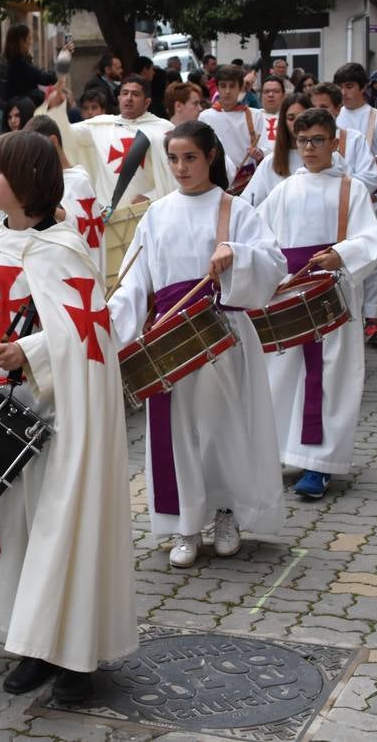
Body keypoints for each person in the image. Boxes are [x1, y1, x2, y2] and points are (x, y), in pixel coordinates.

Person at [0, 130, 137, 704]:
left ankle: (73, 657)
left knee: (56, 532)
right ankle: (32, 642)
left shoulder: (66, 252)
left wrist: (31, 352)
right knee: (13, 535)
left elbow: (90, 338)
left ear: (30, 183)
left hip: (55, 422)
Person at [110, 121, 286, 567]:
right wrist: (109, 330)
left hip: (221, 334)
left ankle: (226, 512)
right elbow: (135, 280)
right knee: (178, 433)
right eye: (173, 159)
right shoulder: (157, 213)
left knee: (223, 428)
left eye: (190, 157)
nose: (181, 167)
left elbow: (273, 262)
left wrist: (237, 255)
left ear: (210, 156)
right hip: (170, 336)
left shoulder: (235, 209)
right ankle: (185, 524)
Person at [256, 108, 377, 500]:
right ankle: (282, 452)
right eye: (303, 141)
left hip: (332, 295)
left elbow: (368, 240)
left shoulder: (351, 189)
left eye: (318, 140)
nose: (309, 149)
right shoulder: (285, 190)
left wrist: (341, 254)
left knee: (329, 378)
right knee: (282, 376)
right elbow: (260, 236)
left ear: (334, 143)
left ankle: (320, 464)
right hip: (289, 295)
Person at [333, 62, 377, 347]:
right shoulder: (334, 118)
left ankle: (372, 318)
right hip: (339, 200)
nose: (345, 92)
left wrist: (372, 162)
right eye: (341, 87)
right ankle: (346, 316)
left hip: (374, 198)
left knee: (374, 258)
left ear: (362, 88)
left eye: (349, 87)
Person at [44, 73, 176, 208]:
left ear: (147, 102)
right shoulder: (100, 126)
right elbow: (64, 135)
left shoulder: (162, 130)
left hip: (147, 209)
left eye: (135, 94)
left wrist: (151, 196)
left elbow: (173, 173)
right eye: (125, 93)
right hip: (108, 214)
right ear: (119, 98)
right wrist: (55, 108)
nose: (129, 98)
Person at [27, 113, 107, 278]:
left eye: (35, 149)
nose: (31, 157)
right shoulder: (47, 181)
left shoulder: (77, 181)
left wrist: (45, 207)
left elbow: (80, 225)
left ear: (53, 142)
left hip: (78, 269)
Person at [243, 92, 311, 208]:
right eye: (291, 118)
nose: (297, 123)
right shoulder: (270, 162)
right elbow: (248, 204)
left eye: (302, 117)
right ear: (283, 121)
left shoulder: (326, 158)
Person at [199, 64, 265, 171]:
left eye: (232, 86)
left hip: (247, 177)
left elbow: (265, 146)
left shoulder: (256, 115)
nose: (227, 91)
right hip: (217, 177)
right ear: (217, 88)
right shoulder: (206, 117)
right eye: (223, 86)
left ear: (240, 88)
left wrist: (260, 153)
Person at [0, 24, 56, 110]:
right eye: (29, 38)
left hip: (7, 112)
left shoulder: (2, 62)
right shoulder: (19, 65)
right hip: (21, 113)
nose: (31, 42)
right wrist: (62, 60)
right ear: (21, 41)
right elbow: (47, 79)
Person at [259, 76, 286, 150]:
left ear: (283, 95)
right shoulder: (252, 117)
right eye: (266, 92)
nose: (270, 95)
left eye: (276, 91)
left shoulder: (289, 118)